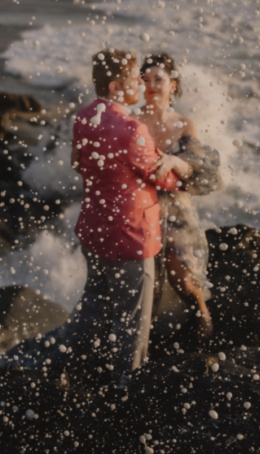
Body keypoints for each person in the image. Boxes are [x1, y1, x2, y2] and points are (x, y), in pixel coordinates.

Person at [63, 49, 186, 385]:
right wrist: (180, 163)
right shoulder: (133, 130)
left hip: (94, 228)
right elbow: (166, 179)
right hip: (131, 237)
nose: (141, 84)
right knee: (131, 322)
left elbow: (80, 162)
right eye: (135, 79)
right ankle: (125, 389)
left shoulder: (84, 116)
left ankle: (80, 373)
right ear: (117, 85)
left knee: (94, 307)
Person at [139, 53, 223, 339]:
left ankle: (204, 319)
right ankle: (146, 334)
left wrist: (175, 162)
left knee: (183, 277)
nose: (151, 85)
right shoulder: (133, 122)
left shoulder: (184, 124)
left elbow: (200, 171)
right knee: (144, 277)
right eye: (145, 80)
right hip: (142, 207)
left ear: (172, 85)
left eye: (158, 80)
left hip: (177, 210)